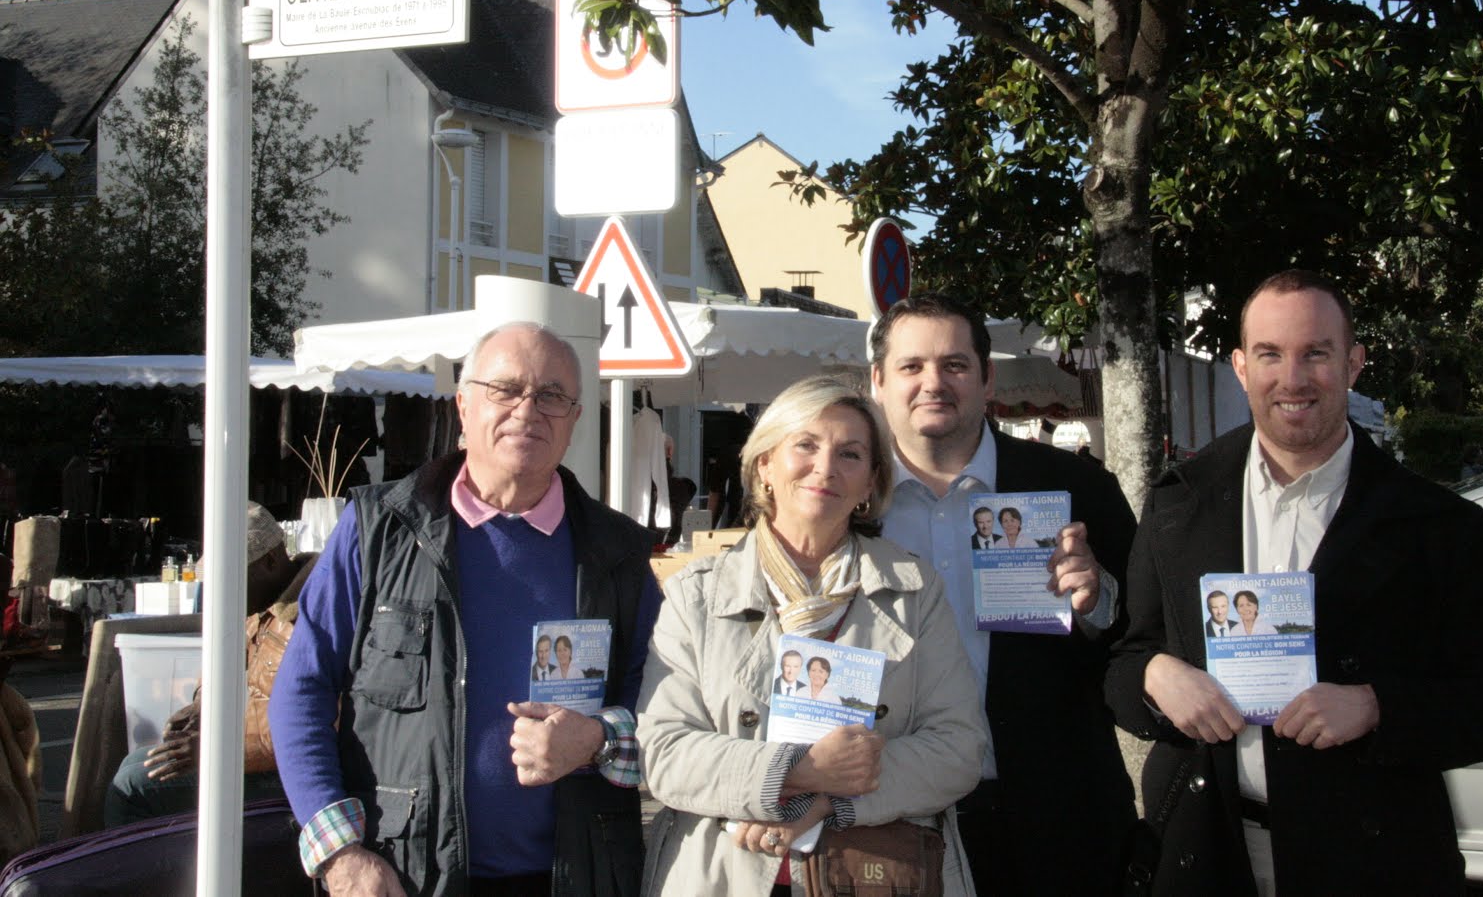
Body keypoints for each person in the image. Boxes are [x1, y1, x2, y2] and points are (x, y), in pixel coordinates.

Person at [1105, 270, 1483, 896]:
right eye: (1271, 355)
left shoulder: (1438, 525)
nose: (1293, 379)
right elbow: (1122, 662)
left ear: (1353, 363)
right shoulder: (1177, 503)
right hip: (1207, 854)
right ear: (1241, 367)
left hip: (1372, 861)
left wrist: (1376, 707)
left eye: (1316, 354)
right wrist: (1152, 676)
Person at [269, 322, 662, 897]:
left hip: (578, 873)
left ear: (575, 419)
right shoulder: (379, 530)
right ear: (463, 404)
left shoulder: (618, 551)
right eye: (505, 389)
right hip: (402, 874)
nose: (528, 410)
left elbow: (664, 706)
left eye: (552, 395)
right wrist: (342, 857)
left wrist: (598, 739)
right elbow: (301, 692)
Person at [637, 375, 986, 896]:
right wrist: (795, 771)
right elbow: (664, 753)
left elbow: (960, 747)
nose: (825, 468)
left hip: (873, 874)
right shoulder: (697, 596)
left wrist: (828, 798)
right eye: (805, 444)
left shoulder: (914, 590)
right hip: (725, 874)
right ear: (765, 465)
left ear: (870, 483)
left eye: (850, 454)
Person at [869, 293, 1138, 895]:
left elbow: (1143, 637)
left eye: (955, 365)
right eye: (911, 367)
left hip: (1054, 820)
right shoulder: (848, 502)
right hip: (889, 818)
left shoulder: (1076, 489)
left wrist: (1098, 600)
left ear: (987, 379)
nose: (932, 383)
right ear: (879, 382)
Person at [105, 501, 315, 825]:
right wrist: (201, 705)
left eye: (231, 579)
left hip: (289, 773)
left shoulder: (313, 615)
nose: (222, 593)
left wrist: (217, 749)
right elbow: (225, 660)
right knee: (135, 765)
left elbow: (312, 727)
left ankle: (138, 870)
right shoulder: (263, 608)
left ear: (271, 560)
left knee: (134, 786)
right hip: (253, 754)